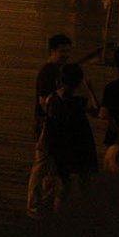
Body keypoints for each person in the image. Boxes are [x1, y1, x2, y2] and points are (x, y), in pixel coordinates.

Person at [24, 34, 74, 215]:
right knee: (42, 163)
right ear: (52, 51)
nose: (66, 55)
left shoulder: (58, 70)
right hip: (46, 126)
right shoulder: (49, 72)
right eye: (62, 52)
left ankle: (45, 200)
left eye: (68, 51)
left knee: (50, 164)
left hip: (52, 125)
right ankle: (34, 203)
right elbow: (44, 101)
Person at [39, 63, 97, 210]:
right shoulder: (80, 101)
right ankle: (86, 212)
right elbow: (96, 110)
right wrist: (90, 89)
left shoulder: (52, 99)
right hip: (81, 141)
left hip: (61, 144)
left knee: (64, 184)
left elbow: (48, 121)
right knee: (85, 180)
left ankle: (58, 216)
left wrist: (42, 142)